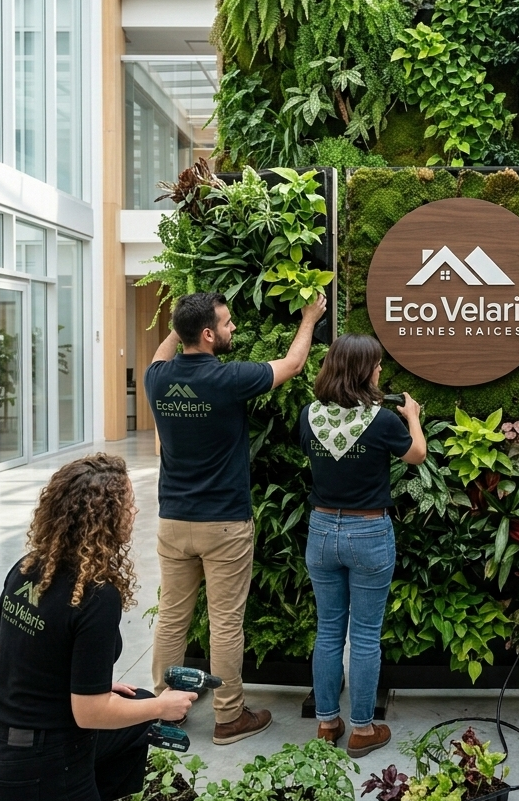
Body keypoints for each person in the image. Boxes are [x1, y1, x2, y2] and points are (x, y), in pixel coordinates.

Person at [0, 455, 197, 801]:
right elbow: (89, 713)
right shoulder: (96, 595)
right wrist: (162, 706)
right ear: (106, 517)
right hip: (39, 770)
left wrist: (85, 678)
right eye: (128, 503)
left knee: (133, 715)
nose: (135, 510)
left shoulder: (28, 568)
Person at [146, 290, 326, 744]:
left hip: (173, 520)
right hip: (223, 522)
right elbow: (292, 365)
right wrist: (310, 317)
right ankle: (228, 718)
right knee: (225, 622)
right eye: (226, 323)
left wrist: (182, 322)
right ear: (208, 334)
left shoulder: (157, 379)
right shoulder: (228, 378)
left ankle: (165, 709)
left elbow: (161, 353)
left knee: (172, 617)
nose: (233, 329)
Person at [299, 334, 426, 757]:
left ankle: (326, 723)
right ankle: (362, 729)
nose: (380, 369)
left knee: (328, 629)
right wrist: (412, 416)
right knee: (366, 635)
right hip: (368, 532)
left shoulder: (309, 415)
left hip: (321, 530)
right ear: (362, 371)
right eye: (376, 364)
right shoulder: (382, 420)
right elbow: (417, 454)